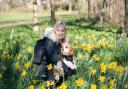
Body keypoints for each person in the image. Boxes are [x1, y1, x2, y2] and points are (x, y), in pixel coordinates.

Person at [33, 21, 76, 87]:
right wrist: (68, 70)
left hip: (57, 73)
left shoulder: (62, 42)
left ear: (65, 32)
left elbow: (68, 56)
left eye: (62, 31)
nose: (60, 33)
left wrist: (72, 66)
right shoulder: (49, 42)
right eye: (58, 30)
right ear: (54, 31)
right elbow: (55, 58)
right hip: (46, 72)